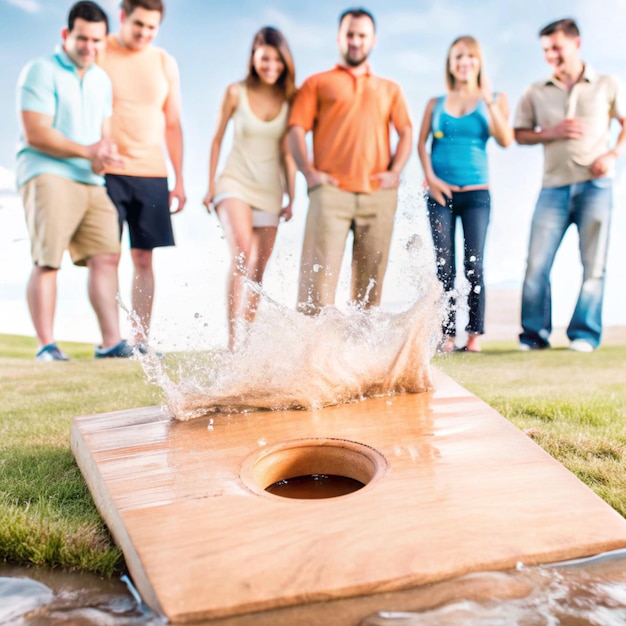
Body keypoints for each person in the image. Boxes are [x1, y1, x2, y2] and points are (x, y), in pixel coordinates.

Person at [16, 1, 134, 361]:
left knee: (107, 256)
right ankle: (46, 346)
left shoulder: (101, 80)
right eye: (82, 38)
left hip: (90, 181)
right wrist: (89, 151)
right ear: (67, 35)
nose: (89, 47)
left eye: (97, 40)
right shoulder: (40, 70)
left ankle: (111, 344)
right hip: (47, 172)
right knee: (48, 259)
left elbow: (104, 135)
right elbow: (36, 133)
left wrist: (104, 156)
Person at [288, 7, 412, 315]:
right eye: (350, 35)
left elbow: (406, 131)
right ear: (339, 37)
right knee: (316, 286)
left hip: (378, 196)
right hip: (330, 194)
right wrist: (309, 173)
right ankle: (311, 359)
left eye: (362, 35)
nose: (355, 41)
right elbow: (295, 130)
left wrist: (395, 172)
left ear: (372, 40)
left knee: (369, 290)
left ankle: (360, 359)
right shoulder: (317, 83)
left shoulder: (390, 89)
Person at [515, 18, 625, 352]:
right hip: (553, 188)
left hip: (596, 186)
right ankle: (533, 336)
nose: (552, 55)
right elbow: (519, 133)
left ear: (576, 43)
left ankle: (584, 335)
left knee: (594, 265)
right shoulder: (535, 91)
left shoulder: (606, 83)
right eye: (547, 50)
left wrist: (613, 154)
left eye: (557, 48)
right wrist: (550, 132)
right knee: (536, 264)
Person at [202, 27, 297, 350]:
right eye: (265, 58)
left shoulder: (289, 99)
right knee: (242, 255)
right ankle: (232, 343)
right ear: (254, 56)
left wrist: (293, 195)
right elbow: (216, 139)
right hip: (234, 183)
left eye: (277, 60)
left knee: (258, 269)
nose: (271, 65)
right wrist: (210, 185)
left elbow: (287, 152)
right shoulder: (234, 92)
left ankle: (248, 342)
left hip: (270, 189)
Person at [417, 36, 513, 353]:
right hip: (440, 195)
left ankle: (473, 337)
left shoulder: (495, 99)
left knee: (475, 265)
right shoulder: (435, 103)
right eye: (458, 56)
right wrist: (430, 178)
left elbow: (505, 139)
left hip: (476, 196)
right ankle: (445, 336)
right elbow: (422, 144)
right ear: (450, 62)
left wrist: (489, 101)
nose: (464, 62)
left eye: (470, 56)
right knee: (444, 266)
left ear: (479, 61)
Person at [100, 0, 186, 351]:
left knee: (143, 257)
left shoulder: (165, 62)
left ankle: (140, 338)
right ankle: (111, 339)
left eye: (151, 27)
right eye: (138, 25)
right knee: (106, 256)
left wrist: (179, 179)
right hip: (108, 170)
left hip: (152, 172)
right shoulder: (100, 49)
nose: (144, 33)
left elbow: (173, 123)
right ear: (123, 16)